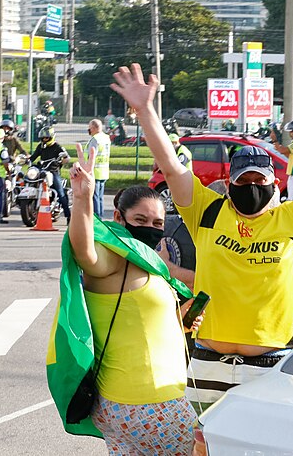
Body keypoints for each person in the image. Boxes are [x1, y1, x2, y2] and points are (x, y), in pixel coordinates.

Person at [109, 63, 293, 413]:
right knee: (205, 447)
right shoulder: (206, 212)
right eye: (242, 182)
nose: (251, 187)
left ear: (273, 183)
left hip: (270, 368)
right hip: (208, 362)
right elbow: (170, 163)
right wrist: (145, 111)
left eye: (259, 181)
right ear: (230, 182)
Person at [48, 148, 203, 453]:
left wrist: (180, 320)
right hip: (151, 403)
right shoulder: (115, 256)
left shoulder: (150, 261)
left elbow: (141, 320)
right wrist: (83, 200)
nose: (150, 228)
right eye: (140, 219)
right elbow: (86, 252)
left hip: (122, 404)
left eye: (158, 223)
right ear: (119, 217)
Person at [30, 126, 71, 225]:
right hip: (42, 170)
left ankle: (68, 215)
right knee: (30, 180)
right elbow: (34, 156)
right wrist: (28, 160)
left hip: (53, 171)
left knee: (60, 192)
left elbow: (67, 158)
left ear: (51, 137)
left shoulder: (58, 147)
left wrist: (63, 159)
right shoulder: (41, 146)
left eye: (46, 138)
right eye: (43, 138)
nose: (44, 140)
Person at [86, 119, 111, 218]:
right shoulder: (106, 137)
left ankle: (97, 218)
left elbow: (92, 156)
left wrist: (88, 170)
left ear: (94, 128)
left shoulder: (95, 139)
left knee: (95, 196)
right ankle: (100, 216)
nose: (89, 130)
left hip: (95, 171)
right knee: (100, 197)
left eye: (90, 128)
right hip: (104, 171)